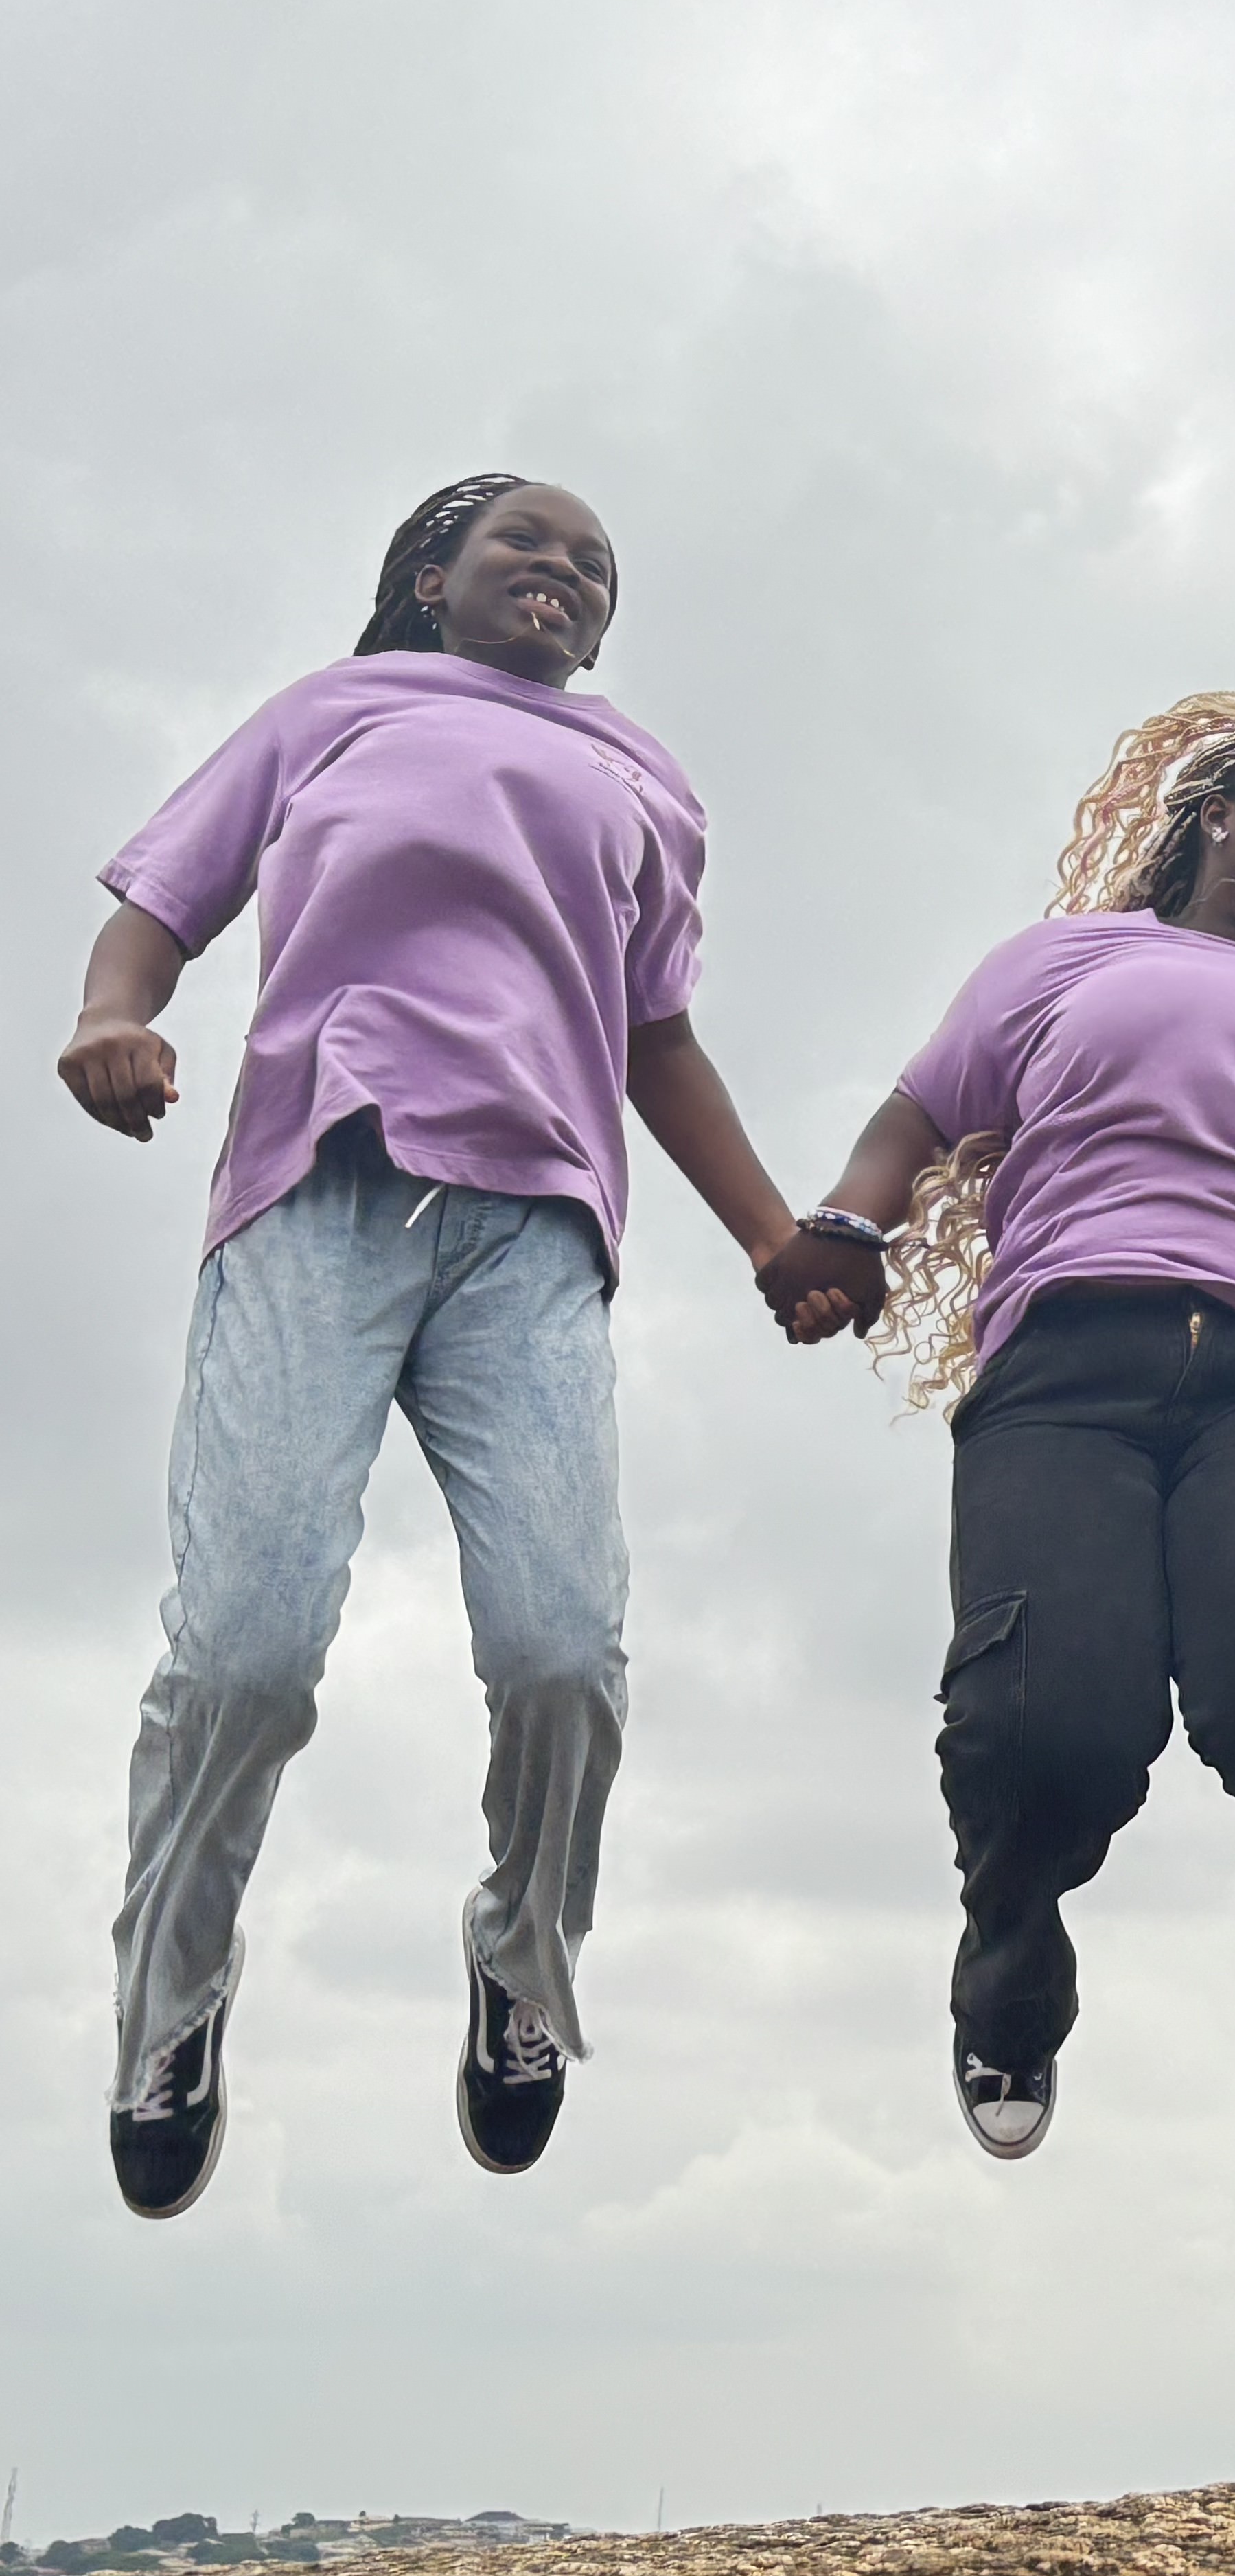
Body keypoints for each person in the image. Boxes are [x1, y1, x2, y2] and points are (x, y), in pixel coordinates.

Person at [62, 474, 807, 2218]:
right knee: (245, 1651)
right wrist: (113, 1019)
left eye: (597, 568)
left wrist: (774, 1237)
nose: (565, 573)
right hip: (319, 1196)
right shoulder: (331, 712)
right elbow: (160, 909)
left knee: (560, 1649)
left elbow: (660, 1042)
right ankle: (170, 2007)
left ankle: (524, 1968)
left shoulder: (642, 779)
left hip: (531, 1240)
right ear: (428, 577)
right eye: (524, 547)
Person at [763, 695, 1235, 2165]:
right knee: (1043, 1727)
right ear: (1217, 815)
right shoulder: (1061, 963)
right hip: (1062, 1374)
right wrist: (850, 1225)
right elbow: (918, 1114)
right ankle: (1009, 1978)